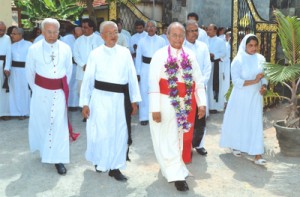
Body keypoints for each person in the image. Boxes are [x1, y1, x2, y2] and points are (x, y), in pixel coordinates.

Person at [80, 21, 141, 182]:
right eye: (109, 33)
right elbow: (88, 80)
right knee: (101, 132)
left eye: (115, 32)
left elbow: (132, 77)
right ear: (102, 36)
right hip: (100, 99)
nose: (113, 36)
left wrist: (134, 100)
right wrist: (85, 103)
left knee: (119, 133)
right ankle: (100, 161)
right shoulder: (95, 54)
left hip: (120, 100)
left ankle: (116, 167)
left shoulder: (124, 53)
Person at [149, 22, 206, 191]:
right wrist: (155, 109)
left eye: (181, 35)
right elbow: (153, 83)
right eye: (174, 35)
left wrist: (202, 103)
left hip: (186, 103)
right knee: (169, 137)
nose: (178, 38)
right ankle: (176, 176)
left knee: (180, 137)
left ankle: (175, 167)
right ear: (167, 36)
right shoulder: (159, 55)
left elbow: (198, 80)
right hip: (166, 101)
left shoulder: (190, 54)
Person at [26, 18, 73, 175]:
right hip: (41, 92)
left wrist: (58, 87)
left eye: (55, 32)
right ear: (42, 31)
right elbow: (30, 73)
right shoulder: (34, 49)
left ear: (59, 32)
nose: (52, 35)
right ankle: (44, 150)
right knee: (43, 123)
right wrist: (39, 90)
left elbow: (68, 71)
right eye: (49, 32)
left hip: (58, 92)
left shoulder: (66, 48)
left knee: (58, 124)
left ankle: (58, 159)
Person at [220, 34, 268, 166]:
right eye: (250, 45)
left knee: (256, 122)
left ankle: (258, 155)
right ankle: (236, 144)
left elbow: (264, 76)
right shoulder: (238, 60)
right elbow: (236, 81)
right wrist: (254, 81)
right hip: (240, 96)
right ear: (245, 45)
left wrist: (263, 86)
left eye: (255, 45)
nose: (253, 48)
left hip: (256, 96)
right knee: (240, 121)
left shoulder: (261, 59)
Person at [184, 20, 211, 156]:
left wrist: (200, 85)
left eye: (196, 30)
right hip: (185, 89)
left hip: (200, 88)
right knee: (186, 116)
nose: (194, 33)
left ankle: (199, 144)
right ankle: (185, 144)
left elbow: (207, 67)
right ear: (185, 32)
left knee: (200, 116)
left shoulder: (203, 47)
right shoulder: (181, 47)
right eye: (191, 30)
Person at [136, 20, 166, 126]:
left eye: (152, 26)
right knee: (144, 91)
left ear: (156, 28)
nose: (150, 28)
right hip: (145, 68)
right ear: (145, 28)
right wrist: (138, 72)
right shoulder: (141, 41)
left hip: (158, 68)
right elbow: (138, 57)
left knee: (158, 91)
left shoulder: (162, 41)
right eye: (148, 26)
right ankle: (144, 116)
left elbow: (165, 56)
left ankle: (157, 114)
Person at [73, 18, 104, 117]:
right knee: (81, 92)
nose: (83, 29)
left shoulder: (99, 39)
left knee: (94, 92)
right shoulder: (78, 40)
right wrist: (83, 65)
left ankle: (94, 113)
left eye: (85, 27)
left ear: (91, 28)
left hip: (95, 71)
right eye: (82, 27)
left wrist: (91, 66)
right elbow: (75, 55)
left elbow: (102, 54)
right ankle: (85, 113)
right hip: (81, 71)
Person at [9, 27, 32, 120]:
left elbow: (32, 59)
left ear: (20, 35)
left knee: (25, 92)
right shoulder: (11, 46)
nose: (11, 35)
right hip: (14, 72)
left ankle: (26, 112)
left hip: (25, 72)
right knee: (15, 92)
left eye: (14, 34)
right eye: (11, 33)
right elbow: (9, 60)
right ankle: (16, 112)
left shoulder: (29, 45)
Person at [61, 25, 82, 111]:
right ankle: (68, 104)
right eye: (77, 34)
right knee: (69, 84)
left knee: (76, 85)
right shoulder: (66, 39)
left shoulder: (81, 39)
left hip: (77, 65)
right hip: (68, 65)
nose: (78, 36)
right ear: (73, 32)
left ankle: (75, 104)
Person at [206, 24, 226, 113]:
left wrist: (214, 55)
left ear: (215, 31)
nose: (208, 31)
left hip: (216, 65)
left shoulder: (220, 41)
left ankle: (215, 106)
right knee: (207, 85)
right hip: (207, 65)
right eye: (208, 29)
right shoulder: (205, 40)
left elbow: (223, 53)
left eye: (210, 29)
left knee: (215, 85)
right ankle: (208, 106)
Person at [0, 21, 11, 121]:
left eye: (4, 30)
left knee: (3, 90)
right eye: (0, 30)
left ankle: (4, 112)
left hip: (2, 66)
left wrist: (7, 67)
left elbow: (9, 53)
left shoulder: (7, 38)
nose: (2, 32)